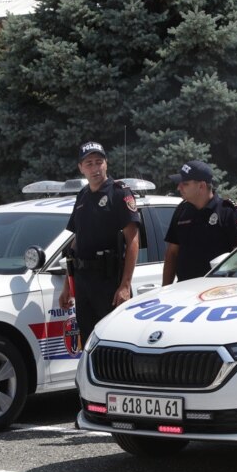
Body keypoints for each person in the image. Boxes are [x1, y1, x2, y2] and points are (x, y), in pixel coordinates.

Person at [58, 142, 140, 346]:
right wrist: (68, 285)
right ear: (81, 168)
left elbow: (133, 240)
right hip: (84, 281)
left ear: (106, 163)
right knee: (88, 341)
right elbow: (77, 241)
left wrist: (125, 285)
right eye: (89, 163)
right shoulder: (83, 195)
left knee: (112, 341)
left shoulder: (119, 192)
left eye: (99, 162)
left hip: (109, 281)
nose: (95, 168)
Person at [162, 160, 237, 285]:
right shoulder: (182, 210)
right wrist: (165, 288)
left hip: (216, 291)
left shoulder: (227, 211)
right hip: (184, 290)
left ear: (201, 186)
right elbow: (172, 253)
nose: (178, 187)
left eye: (185, 184)